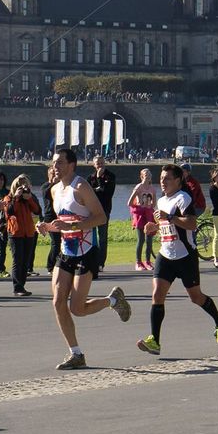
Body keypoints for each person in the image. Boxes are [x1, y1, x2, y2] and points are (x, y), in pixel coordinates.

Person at [37, 147, 131, 370]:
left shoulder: (81, 186)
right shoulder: (54, 190)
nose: (55, 167)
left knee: (77, 309)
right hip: (65, 251)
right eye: (53, 163)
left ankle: (114, 300)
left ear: (71, 165)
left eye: (59, 163)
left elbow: (100, 218)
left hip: (86, 252)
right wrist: (45, 226)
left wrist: (74, 225)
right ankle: (76, 353)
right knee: (58, 301)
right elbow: (58, 221)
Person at [135, 164, 218, 355]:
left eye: (167, 178)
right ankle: (155, 340)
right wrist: (153, 227)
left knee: (196, 297)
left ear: (178, 181)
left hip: (185, 256)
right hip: (166, 254)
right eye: (161, 178)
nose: (163, 181)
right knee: (157, 295)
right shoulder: (160, 201)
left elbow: (192, 223)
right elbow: (165, 225)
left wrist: (169, 217)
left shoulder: (183, 198)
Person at [3, 174, 41, 297]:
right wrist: (16, 197)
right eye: (19, 186)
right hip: (16, 233)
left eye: (24, 185)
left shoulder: (29, 198)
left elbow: (37, 210)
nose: (22, 188)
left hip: (28, 232)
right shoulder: (8, 198)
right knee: (17, 260)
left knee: (25, 261)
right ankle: (17, 287)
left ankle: (22, 285)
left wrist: (29, 198)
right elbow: (10, 212)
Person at [87, 155, 116, 272]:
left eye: (101, 163)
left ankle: (100, 263)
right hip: (91, 212)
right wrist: (98, 188)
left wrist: (99, 182)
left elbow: (107, 193)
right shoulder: (90, 178)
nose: (100, 165)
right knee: (89, 236)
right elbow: (87, 194)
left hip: (104, 211)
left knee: (102, 238)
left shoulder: (111, 176)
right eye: (97, 163)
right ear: (94, 165)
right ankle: (90, 261)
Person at [129, 168, 158, 271]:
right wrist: (138, 207)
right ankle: (138, 262)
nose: (148, 176)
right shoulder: (139, 187)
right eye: (146, 174)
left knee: (149, 239)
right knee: (141, 239)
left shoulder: (152, 188)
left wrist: (149, 206)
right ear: (141, 176)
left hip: (148, 215)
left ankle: (148, 261)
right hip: (140, 216)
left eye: (149, 174)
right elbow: (129, 202)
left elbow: (154, 203)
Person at [40, 164, 62, 274]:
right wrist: (53, 182)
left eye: (55, 173)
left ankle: (59, 263)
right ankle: (50, 265)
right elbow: (47, 194)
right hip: (50, 216)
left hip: (60, 216)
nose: (54, 175)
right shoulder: (45, 186)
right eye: (52, 174)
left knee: (62, 242)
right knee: (56, 242)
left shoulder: (60, 187)